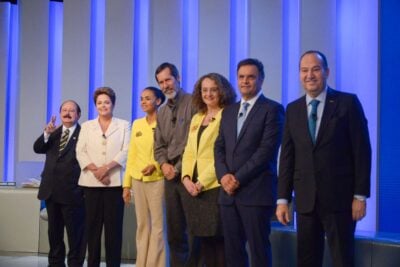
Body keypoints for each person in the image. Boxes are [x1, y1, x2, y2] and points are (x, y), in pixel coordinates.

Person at [276, 50, 371, 267]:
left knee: (342, 258)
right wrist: (282, 199)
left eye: (316, 69)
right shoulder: (293, 109)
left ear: (326, 72)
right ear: (299, 74)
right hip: (306, 200)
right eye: (304, 70)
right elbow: (287, 157)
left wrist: (360, 195)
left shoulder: (347, 103)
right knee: (307, 259)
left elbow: (362, 151)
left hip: (341, 199)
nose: (310, 75)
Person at [214, 58, 284, 267]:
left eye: (251, 77)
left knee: (259, 250)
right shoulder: (228, 111)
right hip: (228, 194)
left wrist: (238, 178)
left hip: (256, 192)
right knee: (233, 251)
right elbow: (219, 148)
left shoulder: (272, 109)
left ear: (261, 80)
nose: (245, 81)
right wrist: (224, 176)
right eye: (241, 77)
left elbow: (266, 152)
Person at [181, 73, 236, 267]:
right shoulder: (197, 117)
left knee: (218, 241)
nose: (209, 94)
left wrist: (201, 182)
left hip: (214, 185)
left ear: (222, 91)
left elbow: (222, 155)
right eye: (205, 90)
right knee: (203, 242)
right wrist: (186, 178)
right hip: (193, 188)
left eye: (213, 89)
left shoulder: (228, 115)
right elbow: (189, 151)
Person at [76, 87, 130, 267]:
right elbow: (80, 152)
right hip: (90, 184)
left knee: (113, 231)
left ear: (113, 104)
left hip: (114, 184)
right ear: (95, 105)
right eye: (99, 103)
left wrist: (106, 169)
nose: (103, 105)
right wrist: (97, 172)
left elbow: (126, 151)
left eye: (107, 102)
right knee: (92, 229)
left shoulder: (124, 125)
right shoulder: (86, 126)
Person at [153, 62, 198, 267]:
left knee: (193, 231)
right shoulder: (161, 111)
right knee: (174, 230)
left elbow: (195, 142)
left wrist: (177, 168)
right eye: (161, 82)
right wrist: (163, 165)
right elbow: (159, 146)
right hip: (169, 177)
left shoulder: (195, 103)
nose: (165, 85)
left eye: (168, 80)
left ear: (178, 78)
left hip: (190, 175)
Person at [34, 100, 86, 267]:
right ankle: (55, 264)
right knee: (54, 234)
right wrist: (46, 134)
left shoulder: (84, 133)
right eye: (64, 110)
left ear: (78, 115)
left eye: (72, 110)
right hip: (51, 191)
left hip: (73, 193)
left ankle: (75, 264)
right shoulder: (54, 132)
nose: (67, 113)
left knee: (75, 235)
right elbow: (38, 148)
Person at [122, 86, 166, 267]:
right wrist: (126, 185)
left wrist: (155, 166)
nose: (143, 102)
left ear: (158, 100)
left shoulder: (165, 122)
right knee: (142, 225)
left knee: (158, 226)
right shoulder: (138, 124)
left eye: (148, 98)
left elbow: (170, 150)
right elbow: (131, 154)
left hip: (158, 178)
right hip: (138, 180)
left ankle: (156, 264)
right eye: (141, 98)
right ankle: (141, 263)